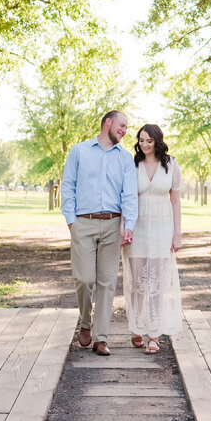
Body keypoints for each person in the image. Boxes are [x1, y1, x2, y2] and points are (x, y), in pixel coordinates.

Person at [60, 110, 138, 355]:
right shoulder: (79, 151)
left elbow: (129, 195)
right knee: (83, 279)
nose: (125, 130)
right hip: (83, 223)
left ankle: (101, 337)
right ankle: (85, 322)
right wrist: (72, 221)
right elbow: (68, 186)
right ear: (108, 122)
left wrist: (129, 226)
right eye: (122, 125)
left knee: (107, 282)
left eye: (126, 127)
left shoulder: (125, 159)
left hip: (113, 225)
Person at [121, 123, 183, 354]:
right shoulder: (132, 164)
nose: (144, 144)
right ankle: (136, 326)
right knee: (138, 283)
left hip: (162, 228)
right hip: (136, 228)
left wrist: (177, 234)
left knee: (156, 282)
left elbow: (176, 202)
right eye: (141, 140)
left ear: (158, 140)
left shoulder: (171, 165)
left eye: (149, 140)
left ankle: (154, 335)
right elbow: (124, 198)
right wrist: (123, 228)